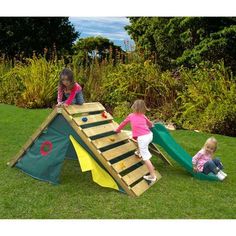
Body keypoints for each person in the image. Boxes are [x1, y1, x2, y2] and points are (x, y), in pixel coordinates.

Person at [115, 100, 157, 184]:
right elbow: (150, 125)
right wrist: (152, 125)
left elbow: (123, 123)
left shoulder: (131, 116)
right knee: (140, 143)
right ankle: (138, 152)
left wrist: (117, 130)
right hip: (149, 135)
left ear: (133, 107)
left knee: (146, 158)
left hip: (143, 138)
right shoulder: (143, 116)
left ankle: (152, 176)